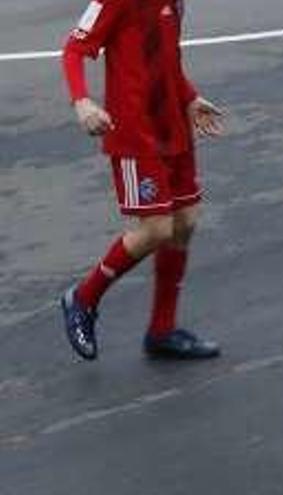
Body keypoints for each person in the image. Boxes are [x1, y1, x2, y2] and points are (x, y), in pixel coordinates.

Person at [59, 0, 227, 361]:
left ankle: (162, 330)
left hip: (173, 128)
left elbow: (166, 59)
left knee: (185, 222)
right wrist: (82, 102)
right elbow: (74, 49)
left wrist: (190, 97)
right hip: (136, 134)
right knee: (155, 230)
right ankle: (83, 298)